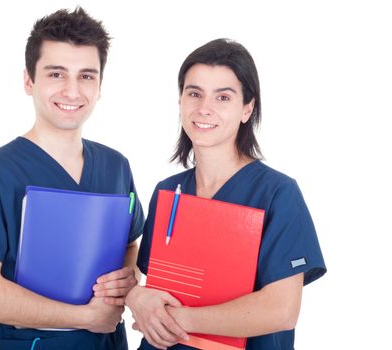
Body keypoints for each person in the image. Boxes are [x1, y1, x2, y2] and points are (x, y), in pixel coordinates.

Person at [0, 7, 144, 350]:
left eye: (86, 76)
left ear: (99, 86)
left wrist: (127, 278)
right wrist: (86, 317)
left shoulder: (115, 166)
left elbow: (128, 245)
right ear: (28, 81)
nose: (72, 91)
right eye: (56, 74)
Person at [123, 39, 326, 350]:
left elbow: (281, 311)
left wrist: (181, 319)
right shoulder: (168, 191)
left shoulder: (277, 194)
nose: (204, 108)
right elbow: (154, 285)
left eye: (223, 97)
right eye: (194, 94)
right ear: (180, 101)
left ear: (247, 108)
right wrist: (136, 295)